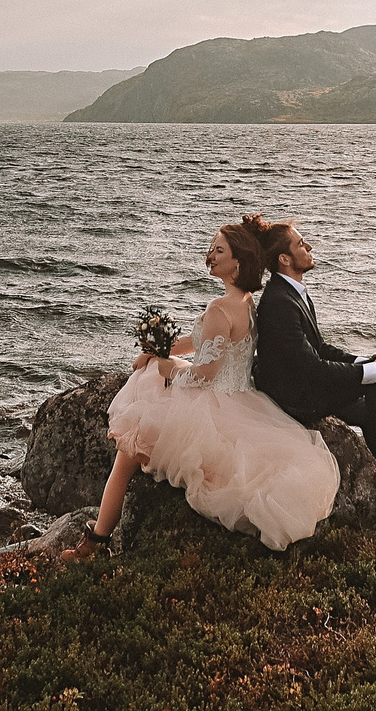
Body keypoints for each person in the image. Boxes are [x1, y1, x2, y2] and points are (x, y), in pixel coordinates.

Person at [67, 224, 341, 556]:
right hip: (242, 397)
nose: (210, 255)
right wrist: (161, 350)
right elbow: (209, 343)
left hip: (215, 400)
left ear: (238, 262)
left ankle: (96, 540)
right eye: (211, 248)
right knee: (152, 372)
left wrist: (166, 368)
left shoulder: (220, 308)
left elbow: (206, 374)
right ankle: (99, 536)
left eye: (219, 251)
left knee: (129, 444)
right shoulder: (247, 302)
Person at [244, 214, 376, 511]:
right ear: (285, 258)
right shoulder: (278, 302)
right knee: (374, 382)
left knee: (369, 406)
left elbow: (319, 347)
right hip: (294, 397)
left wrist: (363, 361)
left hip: (301, 384)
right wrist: (371, 371)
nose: (310, 246)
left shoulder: (291, 292)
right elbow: (310, 367)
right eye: (302, 244)